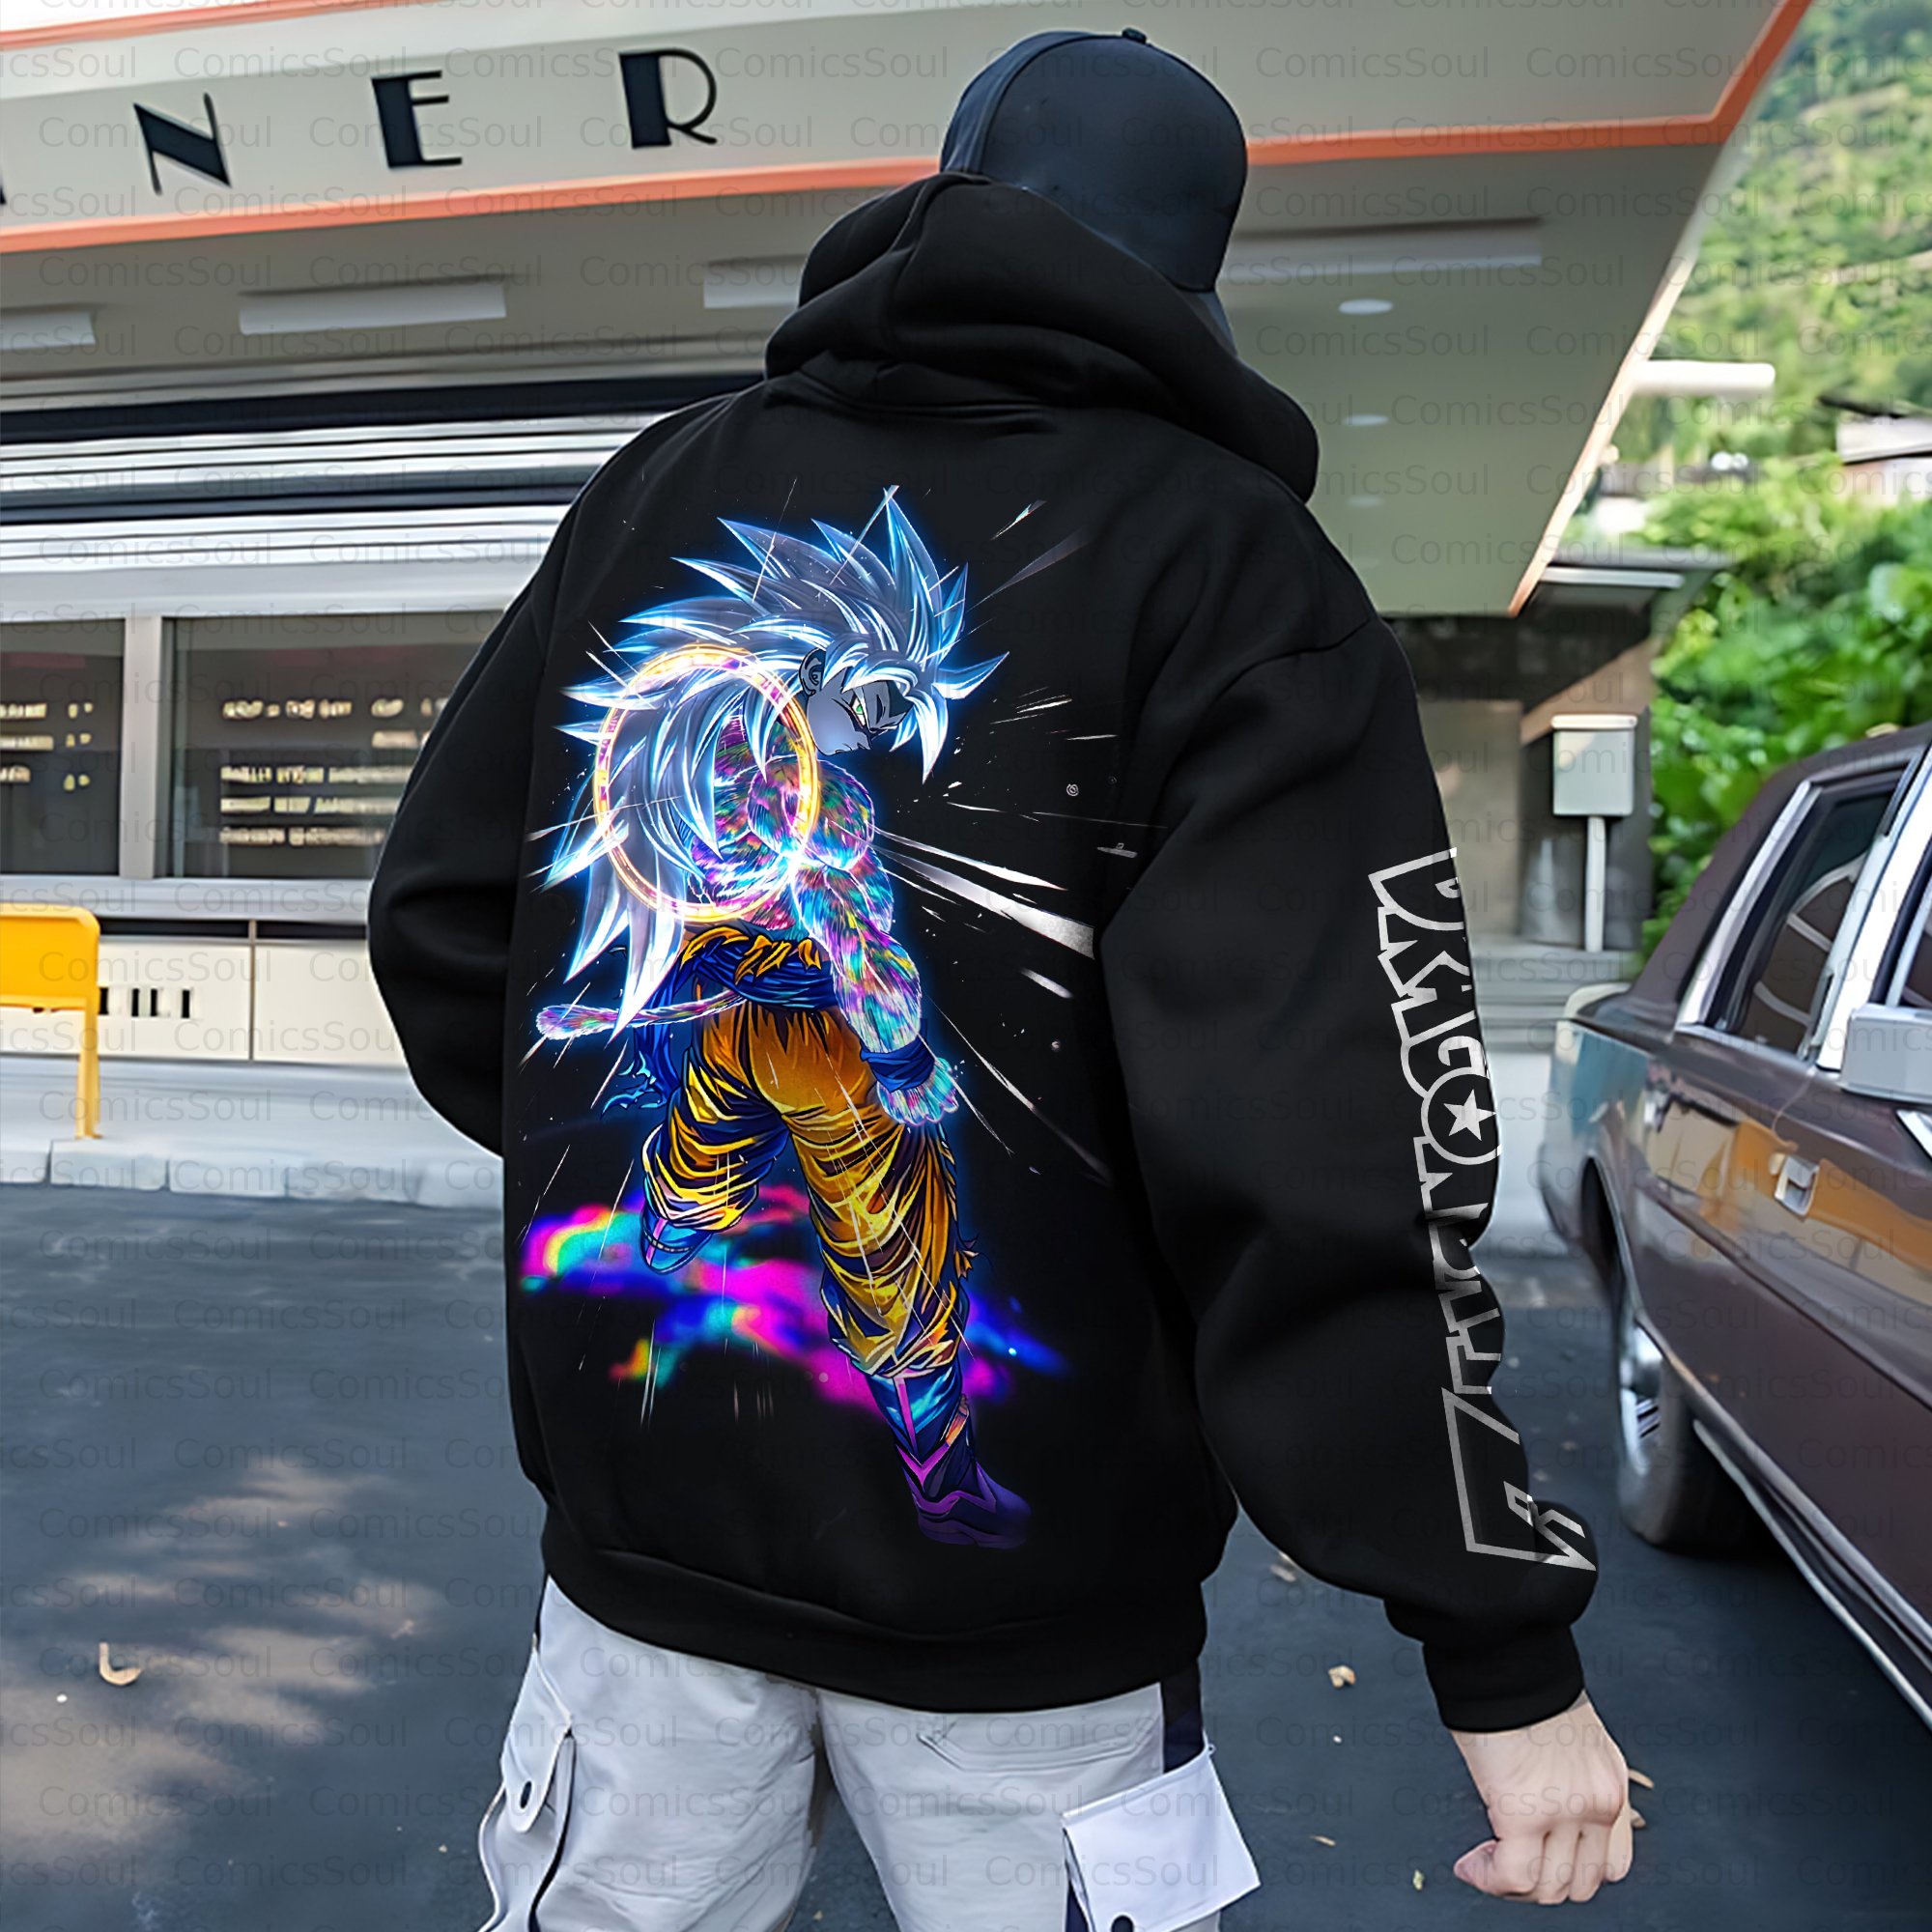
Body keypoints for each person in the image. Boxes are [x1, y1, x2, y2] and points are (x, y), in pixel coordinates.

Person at [370, 28, 1634, 1930]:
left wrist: (595, 1158)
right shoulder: (1233, 573)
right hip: (1032, 1645)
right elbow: (1330, 1144)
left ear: (945, 188)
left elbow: (447, 923)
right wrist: (1498, 1646)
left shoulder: (660, 490)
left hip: (641, 1584)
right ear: (1193, 266)